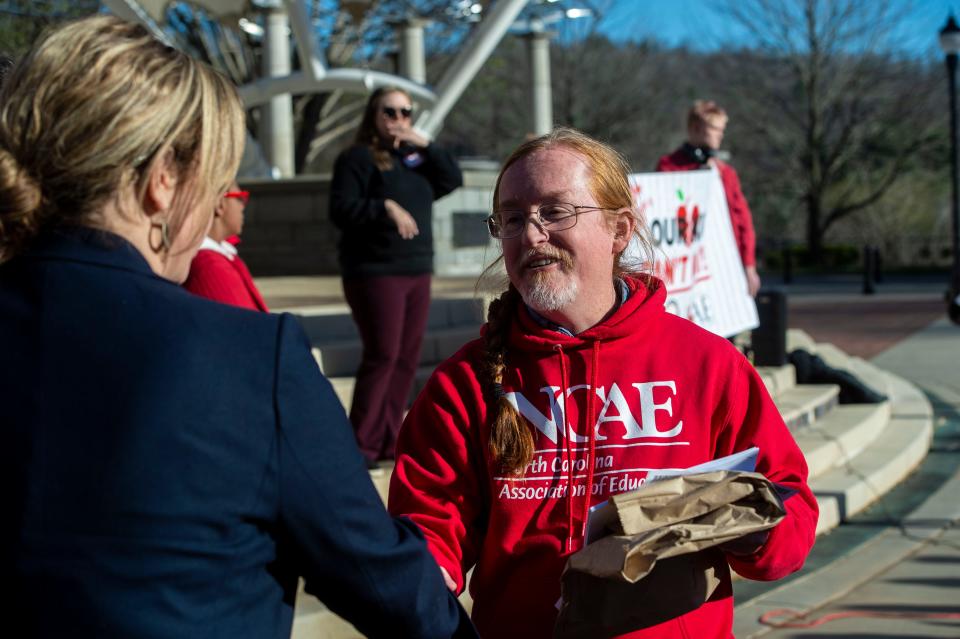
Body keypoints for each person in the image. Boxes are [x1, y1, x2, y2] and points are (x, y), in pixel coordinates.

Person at [0, 16, 473, 639]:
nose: (220, 204)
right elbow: (385, 582)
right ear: (162, 181)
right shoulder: (248, 358)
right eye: (218, 179)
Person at [388, 128, 818, 638]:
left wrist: (746, 525)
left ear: (619, 231)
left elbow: (789, 517)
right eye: (511, 218)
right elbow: (427, 527)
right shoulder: (464, 382)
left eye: (555, 211)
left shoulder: (706, 363)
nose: (530, 234)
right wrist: (422, 576)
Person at [329, 86, 463, 466]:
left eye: (405, 112)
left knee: (406, 357)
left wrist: (426, 143)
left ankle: (389, 441)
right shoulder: (356, 159)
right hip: (374, 270)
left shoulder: (414, 157)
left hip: (416, 268)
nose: (398, 120)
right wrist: (384, 206)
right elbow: (341, 208)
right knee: (383, 354)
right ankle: (360, 446)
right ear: (373, 114)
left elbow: (452, 179)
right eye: (390, 112)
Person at [657, 100, 761, 297]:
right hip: (690, 266)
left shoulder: (726, 173)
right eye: (714, 128)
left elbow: (743, 221)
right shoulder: (669, 167)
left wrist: (749, 265)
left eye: (722, 129)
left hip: (726, 265)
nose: (720, 134)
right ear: (695, 128)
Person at [184, 182, 268, 311]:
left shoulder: (217, 257)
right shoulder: (208, 266)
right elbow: (245, 324)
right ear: (219, 204)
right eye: (240, 197)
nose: (243, 206)